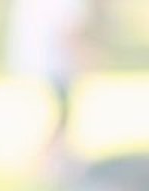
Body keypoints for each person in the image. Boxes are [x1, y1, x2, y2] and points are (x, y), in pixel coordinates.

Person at [7, 0, 97, 180]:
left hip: (30, 64)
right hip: (52, 66)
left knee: (58, 116)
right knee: (60, 117)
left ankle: (52, 163)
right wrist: (85, 57)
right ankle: (48, 165)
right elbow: (67, 33)